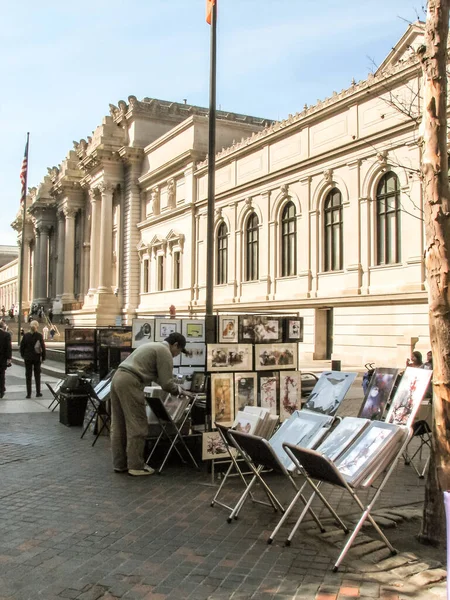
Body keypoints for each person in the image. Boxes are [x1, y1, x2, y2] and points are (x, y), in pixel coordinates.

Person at [110, 332, 194, 477]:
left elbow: (159, 378)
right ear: (174, 345)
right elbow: (167, 383)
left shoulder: (152, 346)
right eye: (179, 351)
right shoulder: (164, 352)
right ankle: (136, 466)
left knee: (119, 424)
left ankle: (120, 464)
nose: (176, 355)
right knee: (138, 423)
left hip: (118, 378)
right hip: (131, 382)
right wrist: (180, 390)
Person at [20, 320, 46, 399]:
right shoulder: (39, 336)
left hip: (27, 358)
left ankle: (29, 394)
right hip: (36, 358)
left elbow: (22, 347)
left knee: (28, 375)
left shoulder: (26, 335)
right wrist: (43, 357)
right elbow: (43, 348)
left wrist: (23, 355)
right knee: (37, 375)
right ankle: (38, 392)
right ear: (37, 327)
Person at [0, 321, 12, 398]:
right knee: (2, 374)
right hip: (2, 359)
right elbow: (8, 348)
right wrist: (9, 358)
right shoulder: (6, 335)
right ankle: (1, 390)